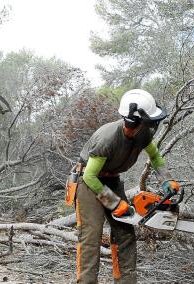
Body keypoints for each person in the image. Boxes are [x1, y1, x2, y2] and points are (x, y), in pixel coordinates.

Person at [75, 89, 180, 283]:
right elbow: (90, 176)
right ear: (135, 122)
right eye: (148, 122)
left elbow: (155, 157)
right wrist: (115, 203)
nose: (151, 126)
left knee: (125, 234)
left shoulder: (143, 135)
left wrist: (166, 179)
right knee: (91, 237)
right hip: (89, 184)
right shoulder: (107, 139)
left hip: (112, 180)